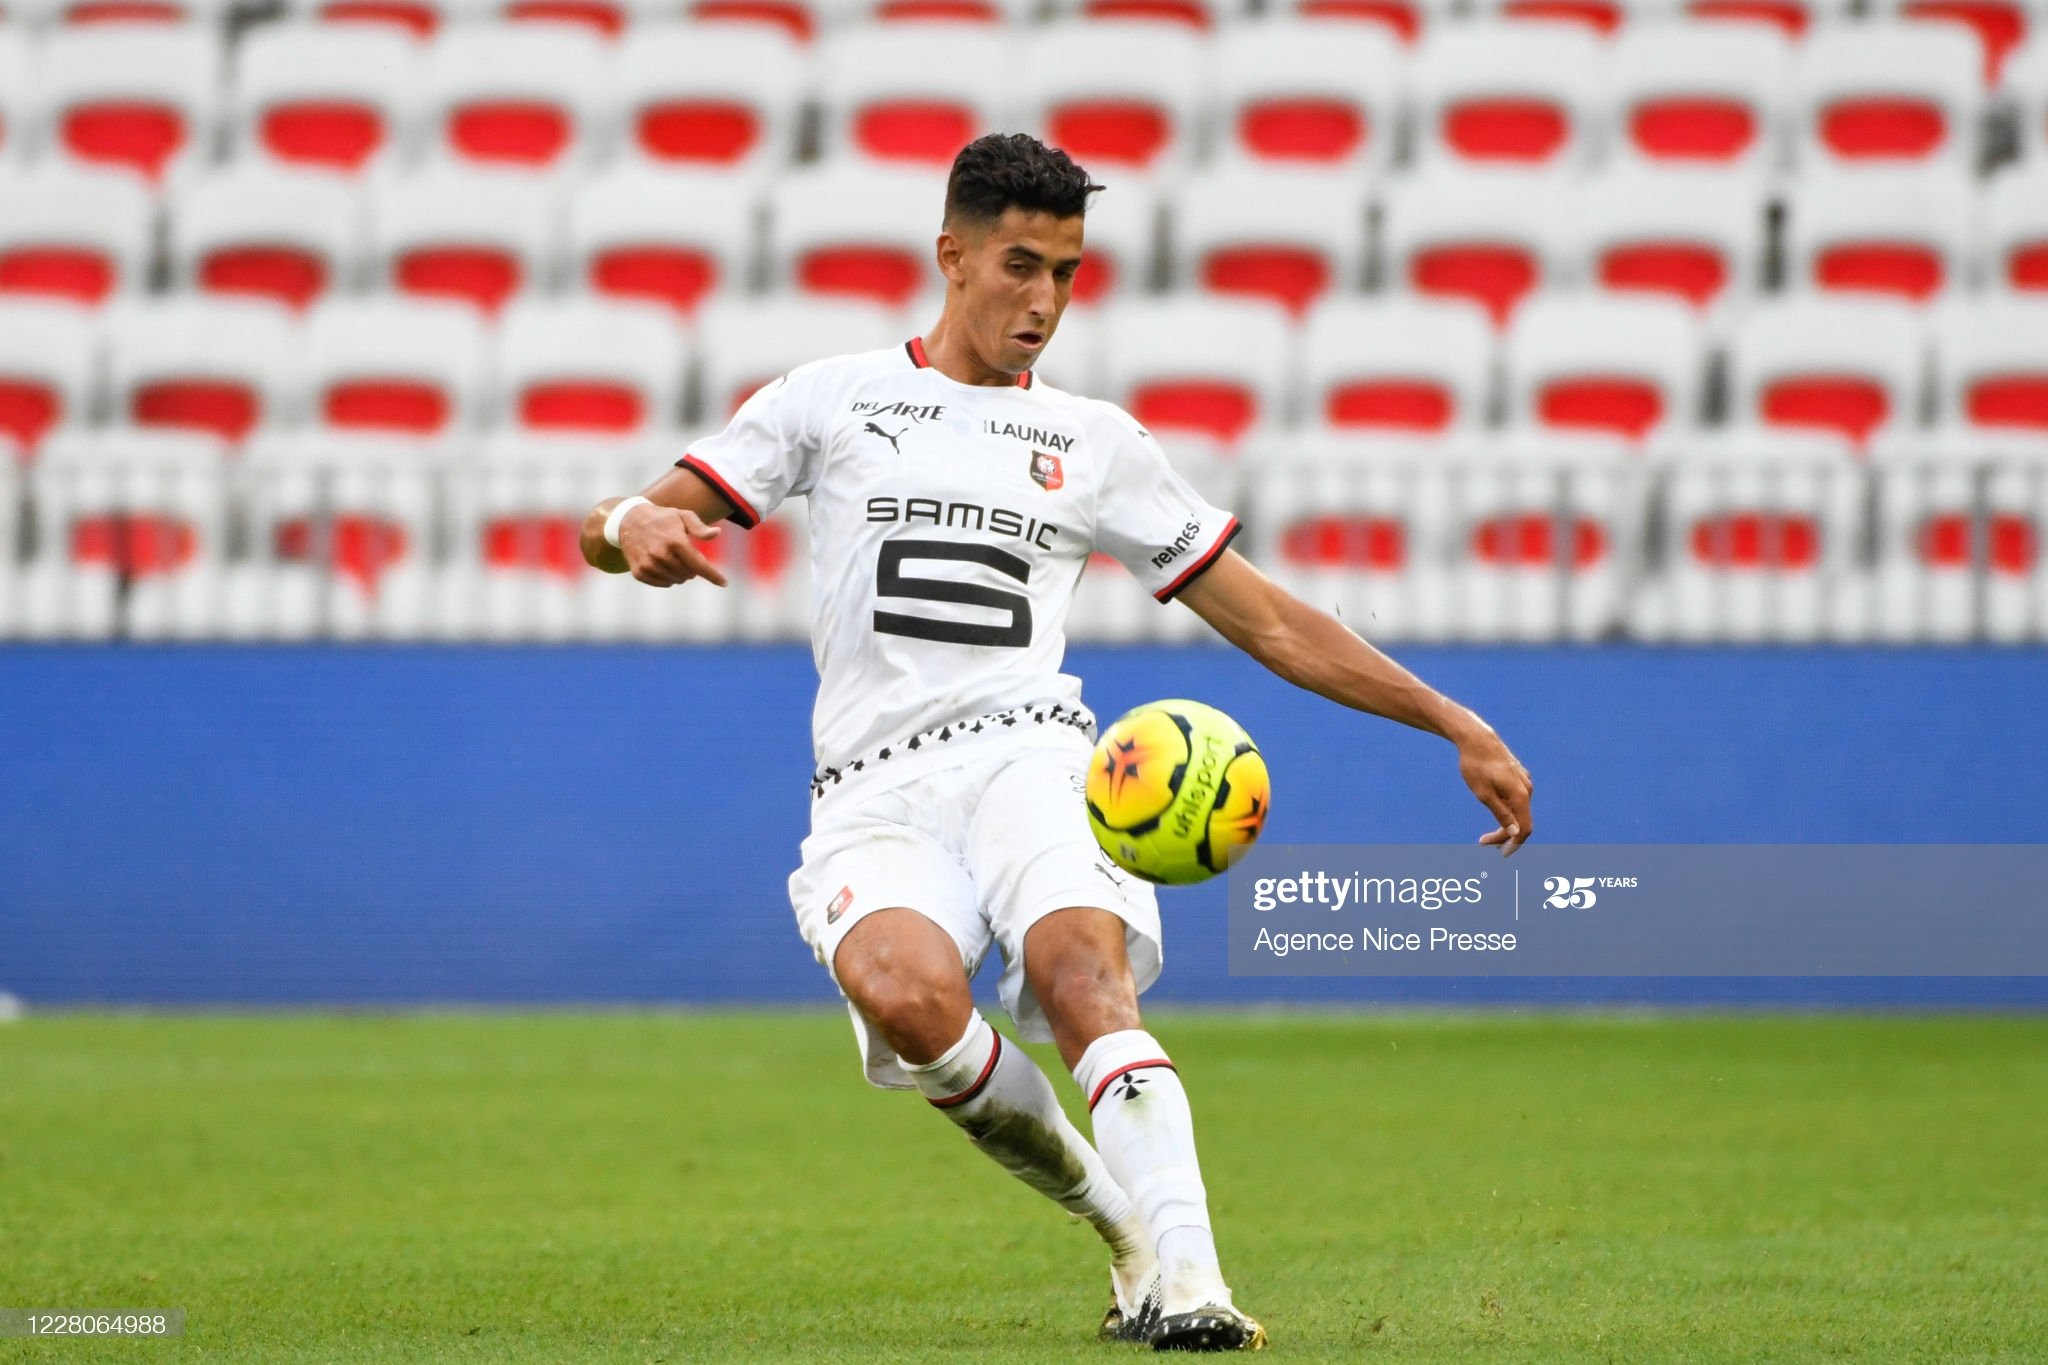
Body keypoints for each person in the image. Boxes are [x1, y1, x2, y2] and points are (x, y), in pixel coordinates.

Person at [580, 133, 1534, 1353]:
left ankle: (1192, 1284)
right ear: (952, 254)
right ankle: (1122, 1233)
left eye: (1067, 275)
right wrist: (634, 521)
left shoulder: (1094, 442)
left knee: (1085, 971)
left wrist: (1449, 718)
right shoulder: (830, 399)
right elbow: (614, 521)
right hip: (872, 789)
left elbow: (1271, 619)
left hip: (1032, 756)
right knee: (909, 999)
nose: (1041, 301)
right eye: (1019, 266)